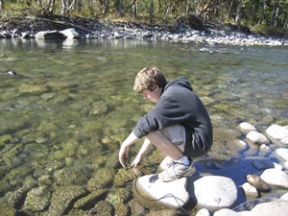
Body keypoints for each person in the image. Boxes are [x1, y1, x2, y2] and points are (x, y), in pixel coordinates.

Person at [118, 66, 213, 182]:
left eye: (145, 93)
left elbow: (147, 125)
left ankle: (183, 165)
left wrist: (125, 145)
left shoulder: (171, 97)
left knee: (148, 128)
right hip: (198, 137)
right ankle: (182, 158)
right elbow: (155, 123)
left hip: (199, 144)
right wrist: (141, 154)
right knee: (155, 124)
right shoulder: (174, 89)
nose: (144, 97)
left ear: (155, 87)